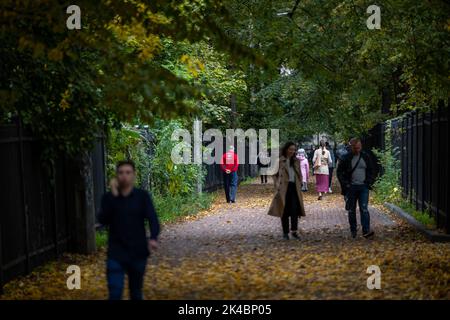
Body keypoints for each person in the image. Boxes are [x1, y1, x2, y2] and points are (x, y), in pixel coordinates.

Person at [98, 160, 160, 300]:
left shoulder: (142, 196)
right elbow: (103, 219)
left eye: (128, 172)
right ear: (116, 175)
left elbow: (153, 219)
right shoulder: (108, 198)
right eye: (121, 173)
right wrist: (114, 197)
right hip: (116, 252)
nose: (124, 176)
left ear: (134, 175)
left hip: (138, 252)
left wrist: (153, 238)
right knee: (115, 292)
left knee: (136, 292)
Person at [337, 138, 376, 239]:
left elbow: (371, 170)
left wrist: (368, 183)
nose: (357, 149)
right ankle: (353, 230)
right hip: (351, 188)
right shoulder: (346, 158)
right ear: (351, 147)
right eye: (355, 148)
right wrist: (346, 184)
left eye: (359, 147)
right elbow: (339, 172)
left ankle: (366, 231)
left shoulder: (365, 156)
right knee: (351, 210)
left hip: (363, 187)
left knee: (364, 209)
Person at [268, 142, 306, 240]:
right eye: (290, 149)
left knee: (294, 210)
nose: (292, 151)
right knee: (284, 210)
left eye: (294, 149)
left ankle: (294, 231)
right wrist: (276, 184)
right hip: (283, 188)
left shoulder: (296, 160)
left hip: (294, 188)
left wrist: (301, 181)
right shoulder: (280, 161)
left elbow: (299, 173)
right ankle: (285, 232)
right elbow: (273, 173)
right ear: (286, 149)